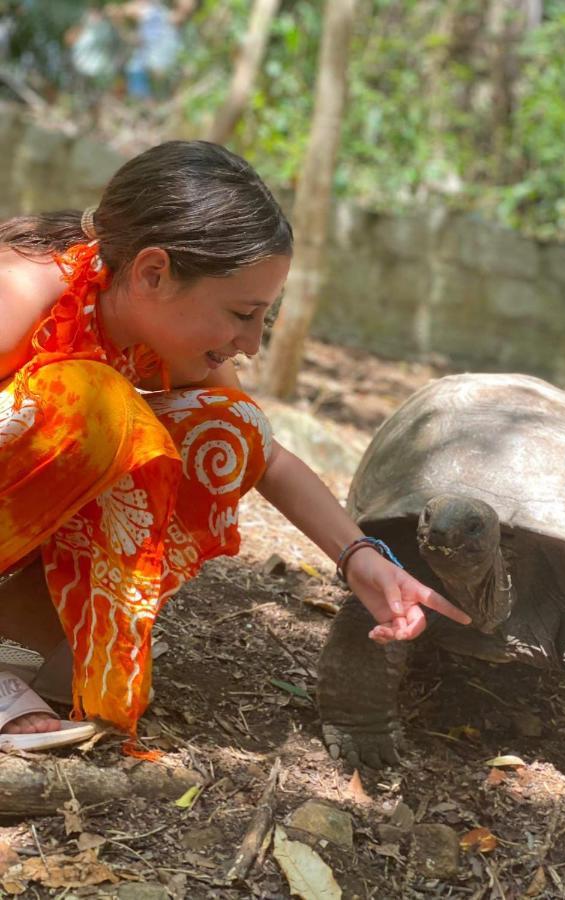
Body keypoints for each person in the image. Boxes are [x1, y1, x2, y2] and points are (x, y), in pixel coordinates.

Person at [0, 140, 470, 753]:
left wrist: (361, 557)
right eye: (241, 314)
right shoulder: (23, 292)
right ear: (152, 273)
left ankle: (17, 648)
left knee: (229, 429)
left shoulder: (148, 328)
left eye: (263, 320)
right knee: (92, 402)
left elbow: (265, 453)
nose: (250, 343)